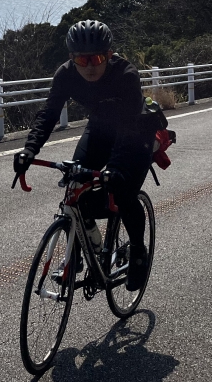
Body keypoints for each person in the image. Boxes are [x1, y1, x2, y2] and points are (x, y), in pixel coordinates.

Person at [14, 19, 152, 291]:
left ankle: (138, 252)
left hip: (135, 132)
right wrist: (29, 149)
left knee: (123, 192)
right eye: (81, 59)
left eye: (96, 58)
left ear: (108, 55)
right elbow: (49, 113)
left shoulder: (125, 74)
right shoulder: (66, 74)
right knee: (75, 183)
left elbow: (128, 127)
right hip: (100, 128)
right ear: (72, 58)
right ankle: (76, 253)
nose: (89, 66)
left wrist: (115, 167)